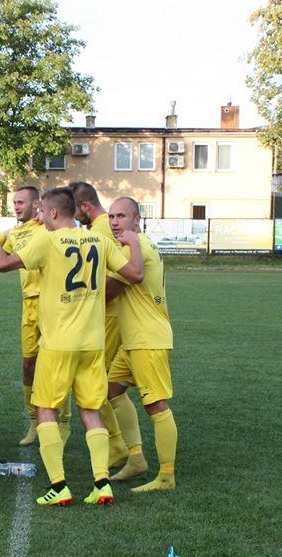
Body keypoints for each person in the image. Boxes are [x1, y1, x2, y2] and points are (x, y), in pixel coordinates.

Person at [0, 187, 143, 507]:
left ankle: (59, 485)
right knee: (90, 410)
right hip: (92, 343)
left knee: (46, 409)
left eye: (42, 211)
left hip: (58, 343)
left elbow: (1, 263)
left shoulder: (47, 240)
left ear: (54, 212)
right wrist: (135, 244)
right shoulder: (98, 240)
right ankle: (102, 483)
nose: (40, 216)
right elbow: (135, 274)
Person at [105, 197, 177, 492]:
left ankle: (166, 476)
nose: (115, 222)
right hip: (133, 340)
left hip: (147, 339)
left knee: (156, 405)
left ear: (137, 219)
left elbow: (107, 292)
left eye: (121, 216)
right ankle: (135, 457)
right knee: (111, 390)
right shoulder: (138, 244)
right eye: (111, 216)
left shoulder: (133, 249)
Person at [69, 181, 130, 467]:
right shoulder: (100, 227)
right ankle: (122, 444)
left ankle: (117, 444)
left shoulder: (103, 228)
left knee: (93, 382)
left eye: (74, 209)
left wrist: (92, 301)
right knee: (99, 384)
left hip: (110, 316)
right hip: (107, 316)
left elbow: (124, 273)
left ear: (84, 206)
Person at [1, 185, 67, 445]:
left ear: (36, 204)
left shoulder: (47, 227)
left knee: (57, 364)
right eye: (14, 202)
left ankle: (63, 421)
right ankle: (33, 422)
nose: (16, 206)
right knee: (28, 365)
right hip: (29, 305)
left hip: (52, 302)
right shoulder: (14, 233)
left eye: (21, 202)